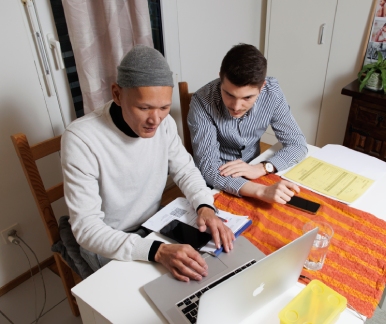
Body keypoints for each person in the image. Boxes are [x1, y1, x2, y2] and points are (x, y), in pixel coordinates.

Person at [61, 45, 234, 282]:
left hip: (153, 225)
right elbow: (87, 228)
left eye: (163, 107)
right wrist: (157, 251)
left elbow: (184, 170)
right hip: (108, 238)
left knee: (207, 271)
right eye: (144, 108)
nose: (155, 120)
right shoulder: (81, 139)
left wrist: (205, 206)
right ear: (117, 94)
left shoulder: (165, 125)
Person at [188, 43, 307, 204]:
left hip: (256, 171)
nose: (236, 107)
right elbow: (209, 169)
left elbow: (298, 144)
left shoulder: (272, 92)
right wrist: (260, 190)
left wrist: (263, 168)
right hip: (218, 183)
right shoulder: (202, 101)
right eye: (229, 94)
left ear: (262, 87)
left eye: (247, 98)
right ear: (220, 79)